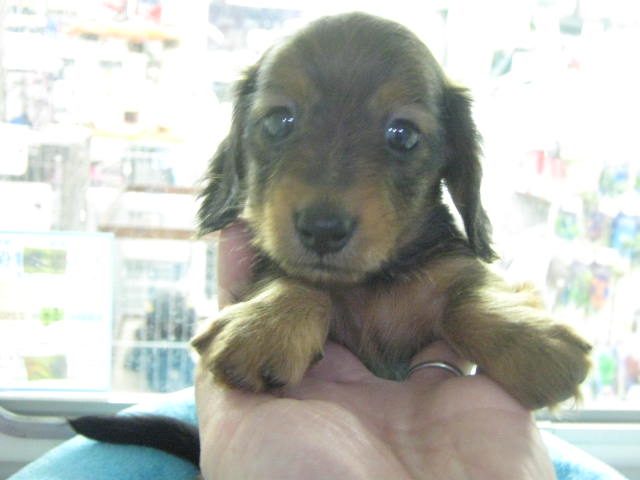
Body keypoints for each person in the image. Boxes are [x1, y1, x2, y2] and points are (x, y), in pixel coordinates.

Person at [195, 223, 556, 479]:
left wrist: (486, 317)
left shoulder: (440, 251)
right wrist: (288, 301)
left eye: (402, 140)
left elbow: (472, 281)